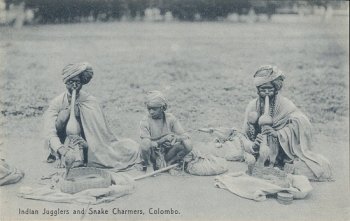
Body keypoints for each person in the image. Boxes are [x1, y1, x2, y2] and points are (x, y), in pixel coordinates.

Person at [242, 65, 333, 181]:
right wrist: (253, 145)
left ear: (276, 89)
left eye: (270, 89)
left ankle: (278, 163)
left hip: (284, 152)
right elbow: (244, 135)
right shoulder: (252, 106)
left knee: (315, 168)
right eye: (262, 90)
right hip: (259, 152)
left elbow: (302, 122)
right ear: (257, 90)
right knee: (249, 160)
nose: (266, 93)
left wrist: (278, 133)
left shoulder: (286, 105)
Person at [44, 62, 140, 170]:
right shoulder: (57, 102)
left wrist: (87, 145)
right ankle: (60, 156)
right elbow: (49, 131)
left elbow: (101, 135)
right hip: (63, 143)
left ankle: (84, 157)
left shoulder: (91, 101)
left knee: (127, 149)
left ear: (82, 83)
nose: (74, 86)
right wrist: (61, 149)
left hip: (87, 142)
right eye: (70, 82)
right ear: (65, 82)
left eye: (77, 82)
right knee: (63, 114)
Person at [139, 91, 193, 172]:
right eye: (149, 109)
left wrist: (175, 138)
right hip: (153, 154)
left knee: (188, 143)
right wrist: (163, 140)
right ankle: (149, 165)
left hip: (168, 153)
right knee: (145, 144)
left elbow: (185, 135)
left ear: (162, 108)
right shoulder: (145, 121)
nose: (151, 112)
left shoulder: (170, 118)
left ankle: (170, 163)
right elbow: (146, 143)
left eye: (154, 109)